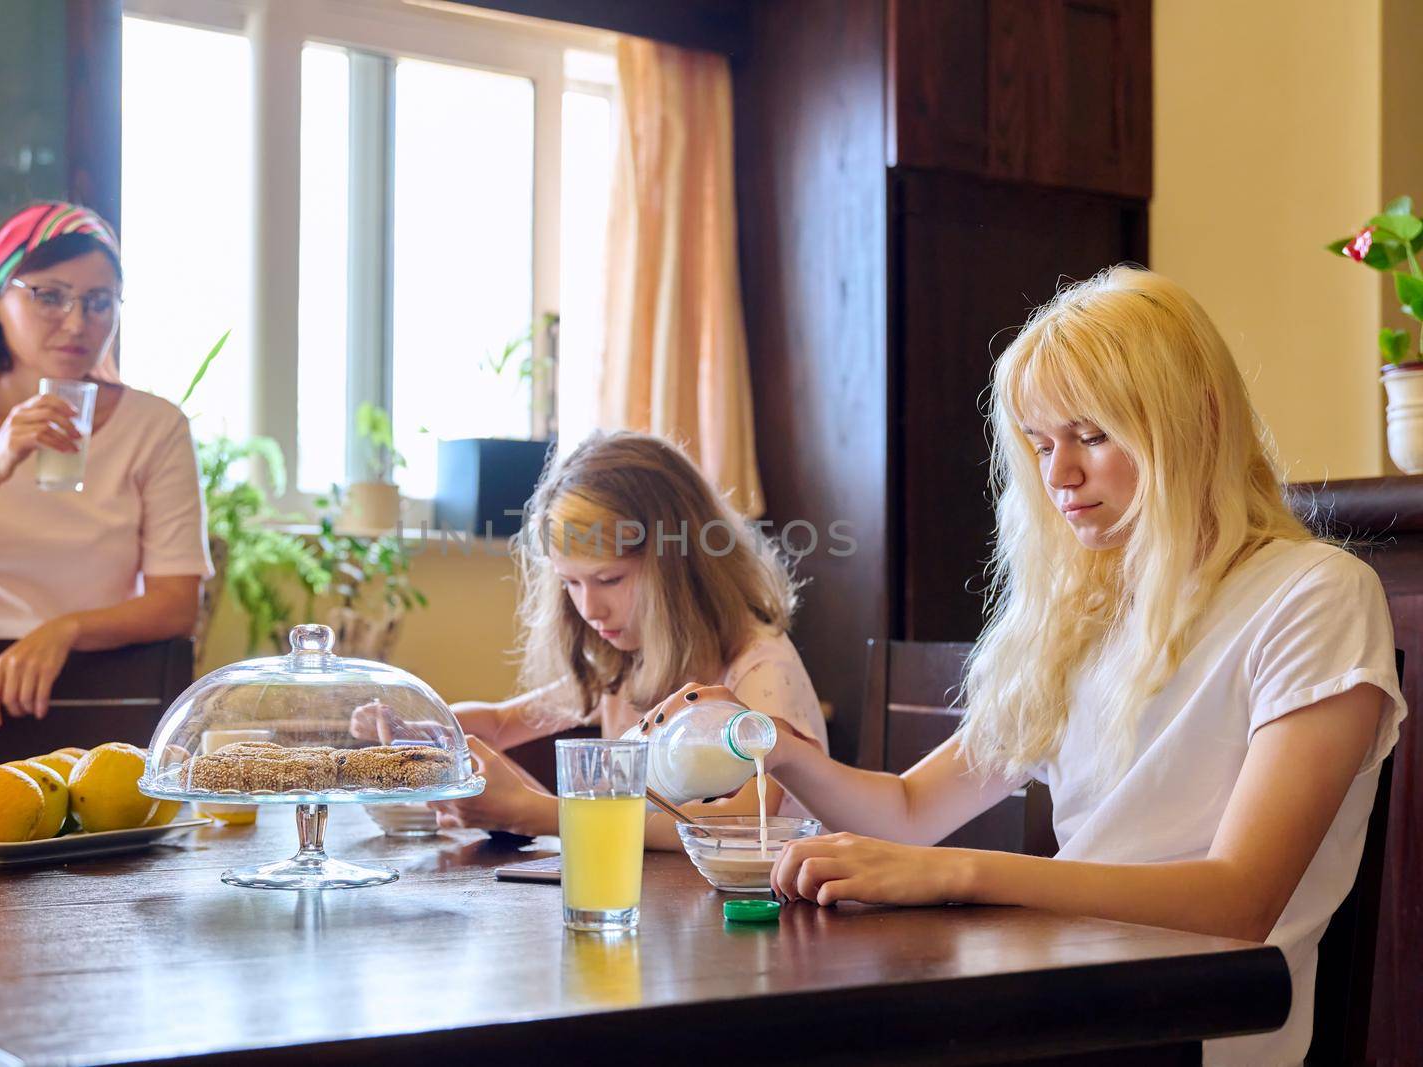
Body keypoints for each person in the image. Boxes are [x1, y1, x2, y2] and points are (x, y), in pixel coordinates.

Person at [650, 267, 1406, 1065]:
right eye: (1041, 444)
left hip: (1186, 1032)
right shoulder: (1083, 617)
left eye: (1092, 434)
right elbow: (909, 810)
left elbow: (1239, 898)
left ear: (1195, 421)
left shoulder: (1315, 594)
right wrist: (776, 744)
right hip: (1057, 1003)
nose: (1059, 475)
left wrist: (956, 874)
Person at [362, 431, 828, 849]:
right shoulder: (624, 660)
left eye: (609, 579)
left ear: (682, 569)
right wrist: (416, 727)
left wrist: (541, 814)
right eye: (571, 583)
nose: (590, 609)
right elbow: (502, 725)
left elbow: (738, 821)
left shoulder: (760, 666)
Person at [0, 202, 211, 736]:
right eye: (49, 295)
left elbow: (176, 605)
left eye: (99, 302)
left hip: (104, 710)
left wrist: (64, 630)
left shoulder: (155, 425)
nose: (77, 322)